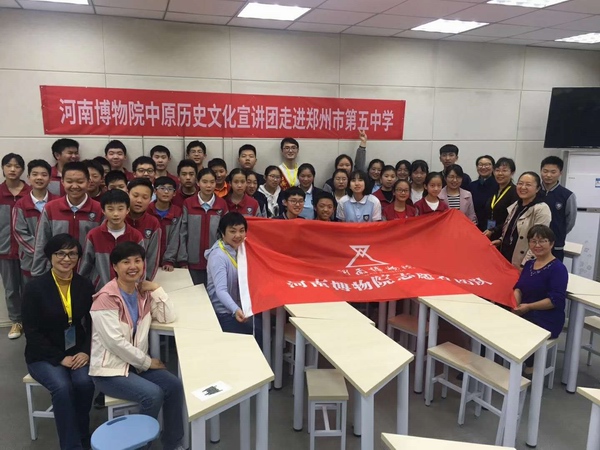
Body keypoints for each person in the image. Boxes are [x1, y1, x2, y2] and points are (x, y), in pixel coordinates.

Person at [89, 242, 184, 450]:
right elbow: (115, 343)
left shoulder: (142, 293)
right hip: (109, 372)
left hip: (135, 366)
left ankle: (172, 443)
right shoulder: (105, 299)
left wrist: (156, 289)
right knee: (152, 394)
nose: (133, 266)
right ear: (115, 267)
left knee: (174, 386)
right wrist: (147, 362)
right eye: (126, 262)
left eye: (138, 261)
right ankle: (139, 446)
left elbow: (168, 317)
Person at [22, 234, 95, 450]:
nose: (66, 259)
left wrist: (86, 351)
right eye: (60, 253)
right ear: (50, 257)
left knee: (85, 383)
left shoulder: (84, 285)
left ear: (79, 257)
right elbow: (31, 333)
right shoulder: (35, 288)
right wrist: (59, 358)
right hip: (43, 354)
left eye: (72, 254)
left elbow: (93, 324)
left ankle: (82, 435)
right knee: (62, 387)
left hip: (76, 349)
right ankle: (72, 446)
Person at [32, 162, 103, 277]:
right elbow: (41, 242)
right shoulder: (51, 208)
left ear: (89, 182)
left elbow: (101, 247)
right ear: (62, 182)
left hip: (88, 275)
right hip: (56, 274)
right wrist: (38, 274)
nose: (74, 186)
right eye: (69, 181)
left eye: (80, 182)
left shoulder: (99, 209)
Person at [513, 225, 568, 375]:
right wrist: (515, 304)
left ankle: (529, 368)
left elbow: (555, 300)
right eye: (533, 241)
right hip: (526, 310)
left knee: (522, 327)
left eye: (542, 241)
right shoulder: (529, 264)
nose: (537, 245)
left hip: (547, 316)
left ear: (551, 243)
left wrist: (528, 307)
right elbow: (519, 288)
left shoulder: (558, 269)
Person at [206, 212, 262, 348]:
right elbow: (221, 291)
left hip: (242, 308)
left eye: (242, 231)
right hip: (224, 313)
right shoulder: (218, 256)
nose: (238, 235)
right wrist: (235, 309)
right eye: (232, 231)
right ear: (222, 233)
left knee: (263, 331)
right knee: (255, 339)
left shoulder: (241, 249)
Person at [79, 189, 145, 290]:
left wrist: (138, 287)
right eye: (110, 209)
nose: (115, 214)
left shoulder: (136, 236)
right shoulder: (94, 235)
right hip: (100, 290)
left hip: (128, 290)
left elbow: (142, 266)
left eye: (120, 209)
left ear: (127, 210)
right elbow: (85, 264)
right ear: (103, 210)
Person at [492, 172, 552, 269]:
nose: (523, 187)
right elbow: (511, 228)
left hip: (523, 262)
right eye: (520, 183)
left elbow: (538, 242)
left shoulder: (541, 209)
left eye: (528, 185)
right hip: (506, 256)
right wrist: (501, 240)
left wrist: (524, 265)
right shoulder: (517, 205)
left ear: (537, 188)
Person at [179, 168, 228, 286]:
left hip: (215, 261)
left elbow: (225, 234)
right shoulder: (188, 203)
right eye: (205, 182)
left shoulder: (221, 204)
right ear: (198, 182)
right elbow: (182, 232)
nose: (208, 185)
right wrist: (182, 259)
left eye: (212, 182)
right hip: (192, 261)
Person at [1, 153, 31, 339]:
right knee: (11, 289)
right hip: (4, 250)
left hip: (29, 251)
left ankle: (31, 319)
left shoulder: (30, 193)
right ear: (3, 168)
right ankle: (16, 321)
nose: (12, 169)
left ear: (22, 170)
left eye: (17, 166)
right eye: (8, 165)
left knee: (30, 288)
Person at [13, 159, 57, 284]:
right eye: (35, 174)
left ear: (50, 178)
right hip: (30, 261)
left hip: (56, 261)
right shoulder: (21, 205)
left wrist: (54, 253)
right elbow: (20, 233)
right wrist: (40, 253)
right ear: (28, 178)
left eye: (44, 174)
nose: (39, 178)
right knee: (31, 292)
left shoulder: (57, 202)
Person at [540, 156, 577, 261]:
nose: (548, 175)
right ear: (540, 171)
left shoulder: (567, 195)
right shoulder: (534, 191)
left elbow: (570, 222)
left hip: (556, 244)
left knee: (553, 270)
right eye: (545, 171)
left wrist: (559, 232)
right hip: (533, 243)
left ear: (560, 173)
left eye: (553, 172)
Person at [126, 178, 161, 281]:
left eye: (145, 197)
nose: (139, 201)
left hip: (141, 281)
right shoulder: (117, 219)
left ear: (151, 199)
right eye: (135, 196)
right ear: (127, 194)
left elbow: (153, 257)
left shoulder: (153, 223)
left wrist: (145, 281)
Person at [148, 177, 183, 270]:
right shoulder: (147, 211)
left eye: (170, 189)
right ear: (155, 191)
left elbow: (175, 239)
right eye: (162, 188)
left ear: (174, 193)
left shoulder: (177, 212)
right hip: (148, 262)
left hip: (169, 264)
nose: (166, 192)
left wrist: (168, 260)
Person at [483, 157, 519, 242]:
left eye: (504, 171)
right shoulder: (493, 189)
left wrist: (494, 230)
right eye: (497, 170)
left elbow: (512, 218)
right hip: (488, 233)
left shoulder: (515, 192)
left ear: (512, 172)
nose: (500, 173)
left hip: (504, 236)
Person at [468, 155, 498, 232]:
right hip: (473, 226)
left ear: (493, 167)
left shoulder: (498, 185)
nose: (483, 167)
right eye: (480, 165)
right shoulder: (472, 185)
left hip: (493, 228)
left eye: (487, 165)